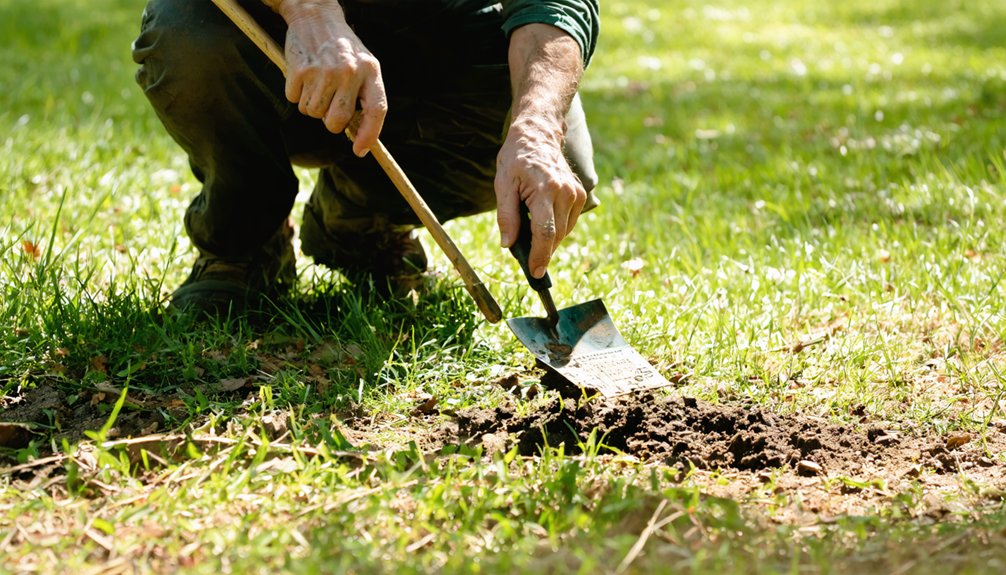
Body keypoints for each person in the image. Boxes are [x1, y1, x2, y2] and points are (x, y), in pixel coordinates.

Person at [132, 0, 600, 314]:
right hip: (278, 35)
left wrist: (535, 126)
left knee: (560, 148)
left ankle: (358, 218)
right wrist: (310, 12)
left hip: (438, 37)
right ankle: (245, 239)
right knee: (187, 36)